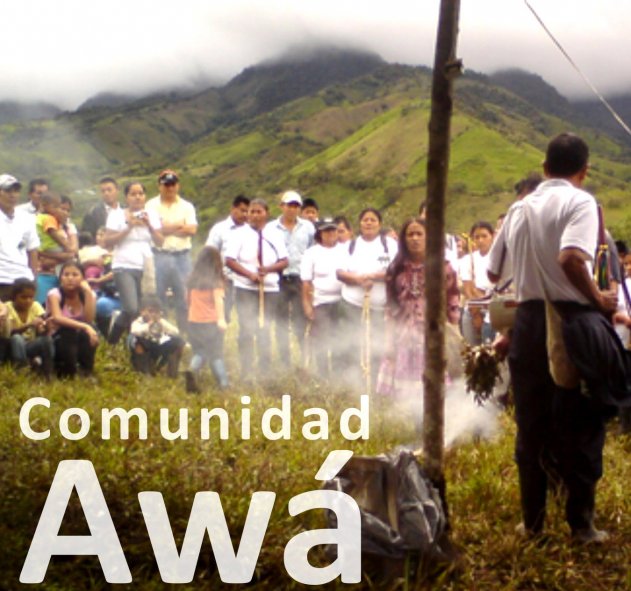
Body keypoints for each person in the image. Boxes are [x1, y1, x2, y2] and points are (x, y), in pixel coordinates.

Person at [487, 132, 622, 543]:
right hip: (571, 324)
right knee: (580, 426)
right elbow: (570, 257)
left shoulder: (518, 209)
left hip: (527, 324)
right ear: (583, 171)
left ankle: (532, 523)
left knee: (531, 423)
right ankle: (580, 525)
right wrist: (598, 297)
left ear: (544, 169)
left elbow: (494, 273)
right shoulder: (580, 201)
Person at [380, 218, 459, 399]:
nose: (415, 238)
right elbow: (390, 308)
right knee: (405, 396)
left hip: (434, 334)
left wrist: (453, 331)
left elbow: (453, 301)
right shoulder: (395, 269)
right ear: (404, 239)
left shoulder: (443, 268)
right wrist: (388, 340)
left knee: (436, 389)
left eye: (419, 234)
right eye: (410, 234)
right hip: (403, 336)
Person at [336, 207, 398, 390]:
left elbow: (395, 271)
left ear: (379, 224)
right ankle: (354, 383)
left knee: (378, 345)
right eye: (365, 220)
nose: (369, 223)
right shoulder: (350, 245)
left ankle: (377, 384)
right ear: (360, 224)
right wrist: (357, 279)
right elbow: (340, 273)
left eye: (373, 220)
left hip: (380, 307)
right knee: (353, 343)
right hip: (353, 304)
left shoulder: (390, 245)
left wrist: (374, 276)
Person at [226, 198, 288, 376]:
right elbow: (230, 260)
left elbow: (284, 261)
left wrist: (267, 269)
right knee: (246, 328)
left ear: (267, 214)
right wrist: (250, 275)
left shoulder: (275, 235)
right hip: (245, 287)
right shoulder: (239, 234)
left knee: (265, 328)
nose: (254, 215)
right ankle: (245, 369)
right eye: (251, 211)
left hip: (269, 288)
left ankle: (264, 369)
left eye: (258, 211)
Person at [105, 182, 163, 344]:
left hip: (145, 266)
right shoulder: (116, 215)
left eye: (140, 193)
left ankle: (137, 343)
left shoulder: (152, 214)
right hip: (123, 265)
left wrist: (149, 225)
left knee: (142, 309)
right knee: (131, 307)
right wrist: (128, 227)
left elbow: (160, 242)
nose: (137, 197)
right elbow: (107, 241)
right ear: (126, 197)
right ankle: (112, 341)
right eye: (133, 194)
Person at [145, 169, 198, 333]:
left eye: (172, 184)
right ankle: (163, 331)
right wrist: (179, 225)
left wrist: (164, 227)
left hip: (182, 256)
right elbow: (153, 229)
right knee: (159, 295)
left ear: (178, 185)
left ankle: (184, 332)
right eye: (166, 184)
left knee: (184, 295)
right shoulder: (150, 205)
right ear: (159, 186)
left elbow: (192, 230)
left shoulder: (187, 206)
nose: (170, 188)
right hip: (159, 254)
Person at [267, 190, 315, 364]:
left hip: (300, 278)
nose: (292, 209)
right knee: (280, 321)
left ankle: (304, 360)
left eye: (296, 206)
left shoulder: (308, 227)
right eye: (289, 205)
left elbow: (312, 250)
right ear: (281, 206)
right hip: (278, 278)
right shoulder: (270, 228)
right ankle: (285, 362)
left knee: (300, 319)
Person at [300, 217, 344, 375]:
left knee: (341, 337)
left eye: (333, 229)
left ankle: (340, 372)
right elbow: (306, 282)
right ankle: (323, 374)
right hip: (321, 302)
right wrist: (307, 305)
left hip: (342, 301)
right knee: (321, 339)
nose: (331, 233)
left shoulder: (345, 250)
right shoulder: (311, 253)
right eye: (327, 230)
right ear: (320, 233)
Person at [184, 246, 228, 393]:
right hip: (211, 323)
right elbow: (218, 301)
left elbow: (187, 301)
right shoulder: (216, 282)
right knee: (216, 353)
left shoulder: (192, 281)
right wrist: (221, 320)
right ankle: (223, 383)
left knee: (200, 350)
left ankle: (192, 369)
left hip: (193, 322)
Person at [46, 261, 99, 378]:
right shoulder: (54, 294)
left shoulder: (89, 295)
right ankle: (64, 368)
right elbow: (57, 318)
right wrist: (85, 326)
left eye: (75, 275)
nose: (70, 278)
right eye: (66, 275)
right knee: (69, 331)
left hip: (79, 336)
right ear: (60, 278)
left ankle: (86, 370)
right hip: (58, 336)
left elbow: (89, 319)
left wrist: (88, 293)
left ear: (83, 278)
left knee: (92, 329)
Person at [205, 194, 250, 323]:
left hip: (244, 280)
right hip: (224, 279)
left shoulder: (249, 231)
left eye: (247, 211)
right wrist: (216, 276)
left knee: (246, 317)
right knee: (222, 315)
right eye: (242, 210)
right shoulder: (219, 229)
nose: (245, 214)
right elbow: (210, 254)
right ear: (233, 209)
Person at [0, 174, 39, 302]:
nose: (12, 195)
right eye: (7, 191)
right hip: (2, 279)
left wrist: (33, 279)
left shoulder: (26, 218)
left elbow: (32, 250)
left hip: (23, 280)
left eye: (16, 191)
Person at [6, 278, 54, 377]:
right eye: (23, 297)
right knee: (17, 338)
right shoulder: (7, 307)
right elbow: (9, 332)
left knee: (46, 340)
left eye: (31, 297)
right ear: (14, 297)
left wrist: (45, 327)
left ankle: (47, 372)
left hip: (30, 345)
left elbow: (42, 330)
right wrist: (29, 325)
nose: (28, 301)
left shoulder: (35, 306)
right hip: (11, 348)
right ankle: (22, 369)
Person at [35, 192, 76, 304]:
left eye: (68, 210)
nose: (62, 212)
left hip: (47, 252)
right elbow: (53, 234)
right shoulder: (49, 219)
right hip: (45, 271)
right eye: (59, 208)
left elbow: (73, 251)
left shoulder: (69, 227)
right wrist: (67, 247)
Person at [129, 296, 185, 377]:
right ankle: (144, 370)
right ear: (142, 311)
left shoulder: (161, 321)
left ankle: (171, 372)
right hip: (145, 348)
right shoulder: (138, 322)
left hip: (157, 346)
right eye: (150, 311)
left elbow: (176, 331)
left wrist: (163, 325)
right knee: (137, 341)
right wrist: (148, 325)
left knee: (179, 342)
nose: (154, 314)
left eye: (157, 312)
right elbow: (134, 331)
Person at [460, 221, 495, 345]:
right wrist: (476, 314)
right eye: (477, 237)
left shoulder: (498, 259)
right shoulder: (467, 260)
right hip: (473, 309)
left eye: (484, 236)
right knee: (472, 351)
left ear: (492, 236)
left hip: (493, 310)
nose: (480, 240)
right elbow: (468, 289)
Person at [82, 177, 121, 242]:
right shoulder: (92, 214)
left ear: (117, 190)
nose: (106, 193)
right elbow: (88, 238)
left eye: (109, 190)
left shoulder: (127, 209)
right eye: (103, 191)